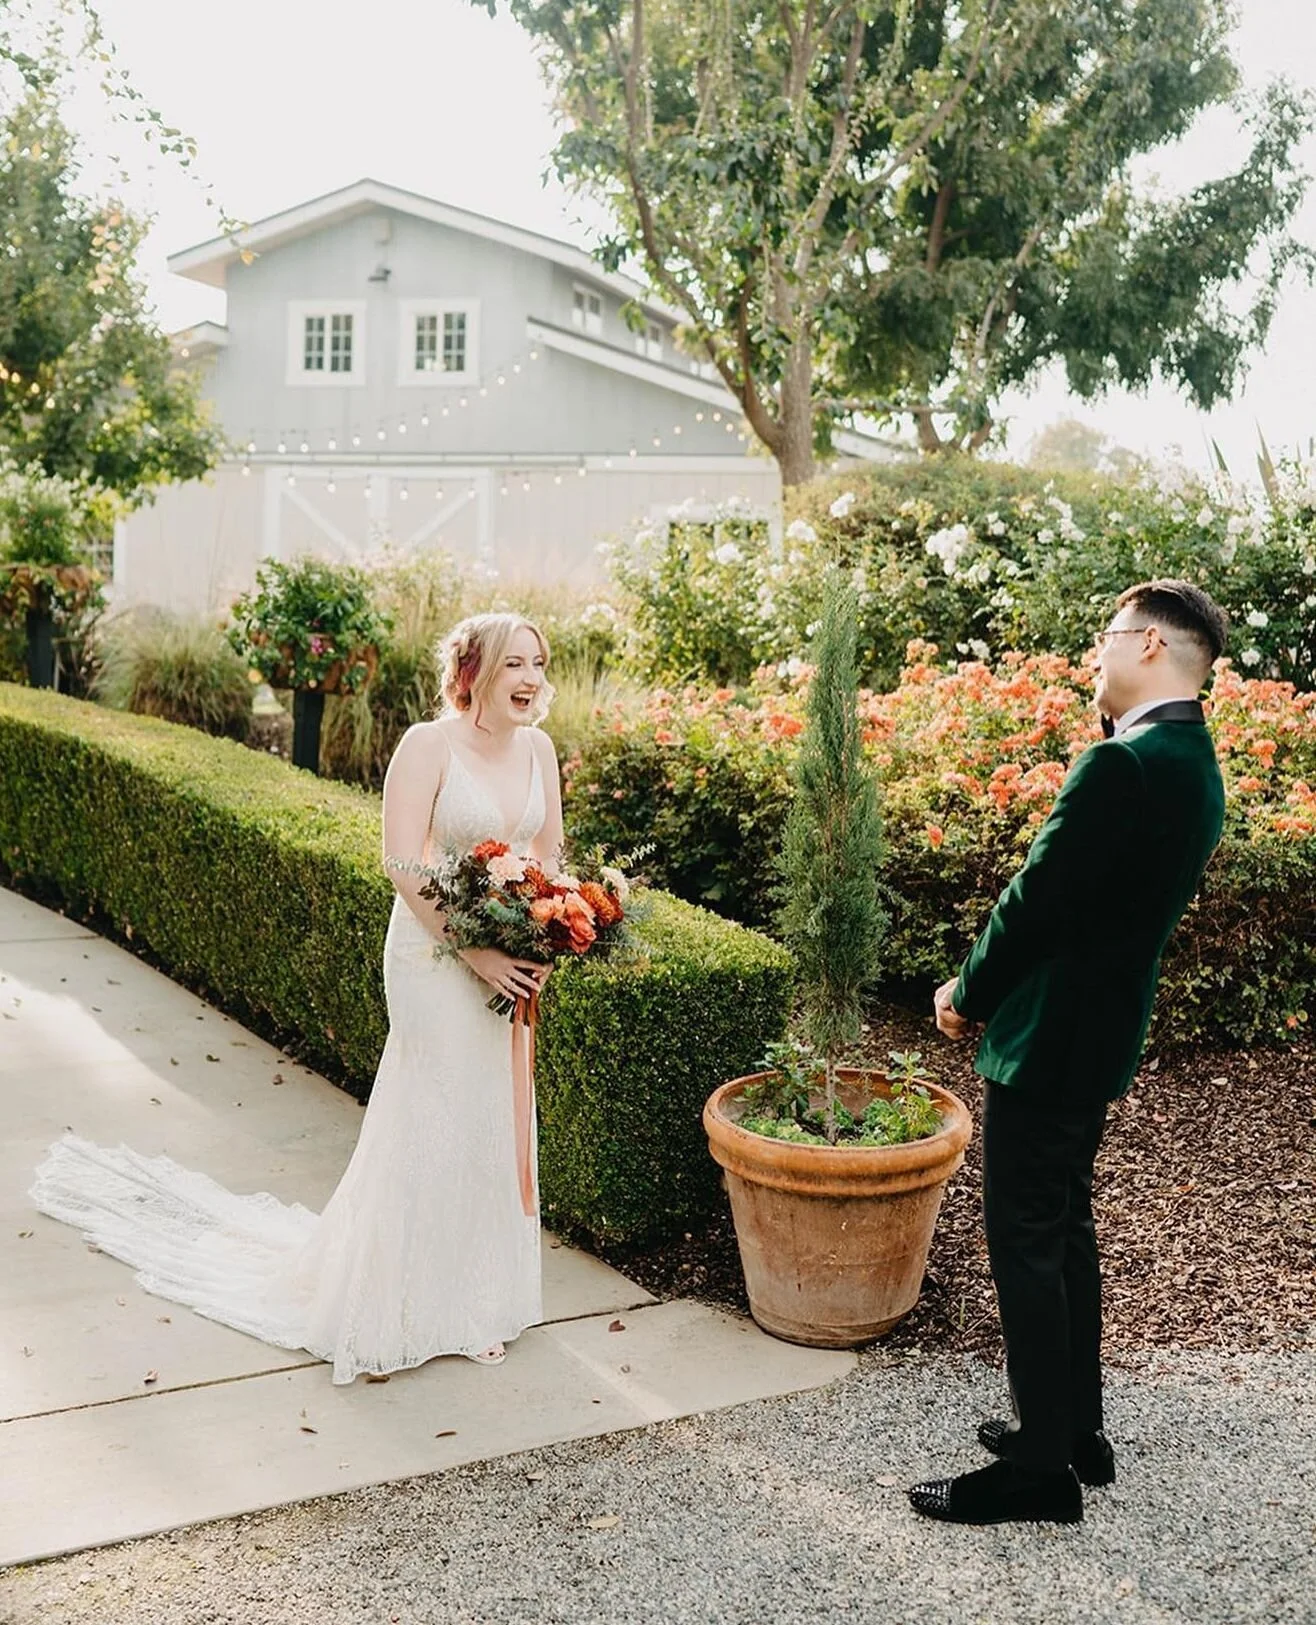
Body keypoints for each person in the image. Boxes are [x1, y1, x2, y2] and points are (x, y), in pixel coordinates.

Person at [31, 612, 563, 1380]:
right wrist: (475, 950)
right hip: (432, 954)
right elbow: (402, 862)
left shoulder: (541, 750)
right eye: (514, 663)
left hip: (508, 959)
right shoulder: (427, 745)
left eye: (538, 664)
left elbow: (549, 859)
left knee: (490, 1113)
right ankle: (402, 1302)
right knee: (434, 1110)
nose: (530, 678)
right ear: (474, 670)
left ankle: (477, 1299)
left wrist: (544, 937)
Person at [908, 580, 1228, 1525]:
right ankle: (1075, 1429)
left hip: (1050, 1036)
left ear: (1156, 646)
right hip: (1102, 1032)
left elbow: (1034, 900)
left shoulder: (1121, 768)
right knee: (1064, 1231)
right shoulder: (1190, 759)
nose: (1097, 650)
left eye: (1110, 635)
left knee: (1026, 1241)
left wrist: (966, 995)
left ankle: (1042, 1471)